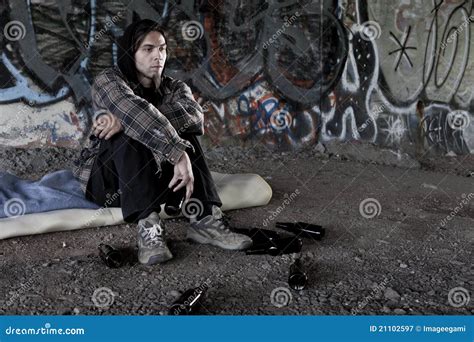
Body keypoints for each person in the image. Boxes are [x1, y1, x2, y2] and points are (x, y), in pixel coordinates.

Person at [73, 19, 252, 266]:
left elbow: (195, 116)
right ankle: (149, 228)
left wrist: (126, 119)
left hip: (153, 179)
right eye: (148, 49)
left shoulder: (174, 87)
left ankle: (204, 221)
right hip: (108, 184)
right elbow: (134, 111)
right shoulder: (109, 80)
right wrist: (177, 153)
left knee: (171, 128)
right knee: (130, 130)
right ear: (131, 52)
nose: (158, 56)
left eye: (162, 48)